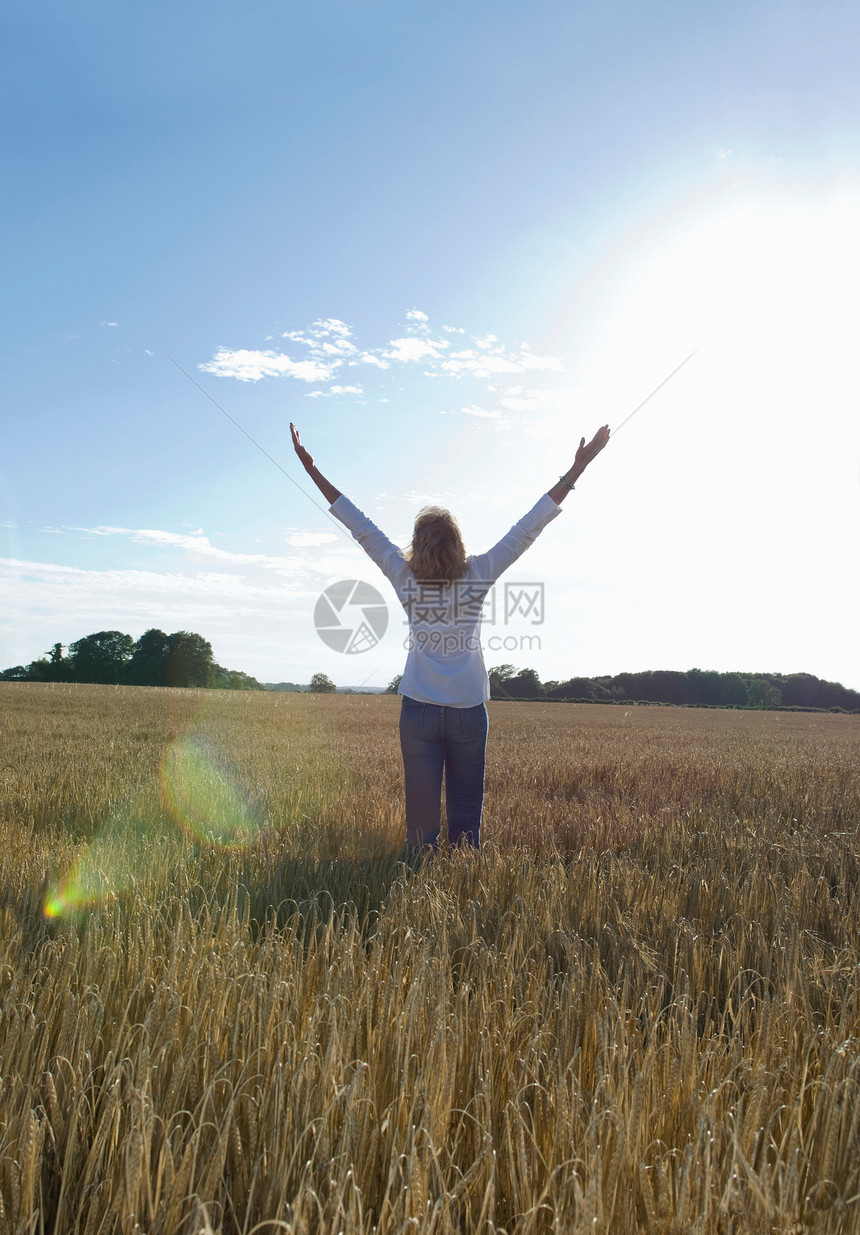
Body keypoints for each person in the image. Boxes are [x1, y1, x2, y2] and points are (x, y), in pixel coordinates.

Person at [291, 421, 610, 852]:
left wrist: (313, 471)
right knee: (465, 834)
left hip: (418, 711)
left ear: (417, 545)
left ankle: (415, 902)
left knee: (420, 839)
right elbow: (526, 530)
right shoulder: (478, 572)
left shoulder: (403, 575)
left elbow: (361, 527)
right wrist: (576, 470)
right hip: (467, 712)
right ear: (458, 544)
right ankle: (458, 901)